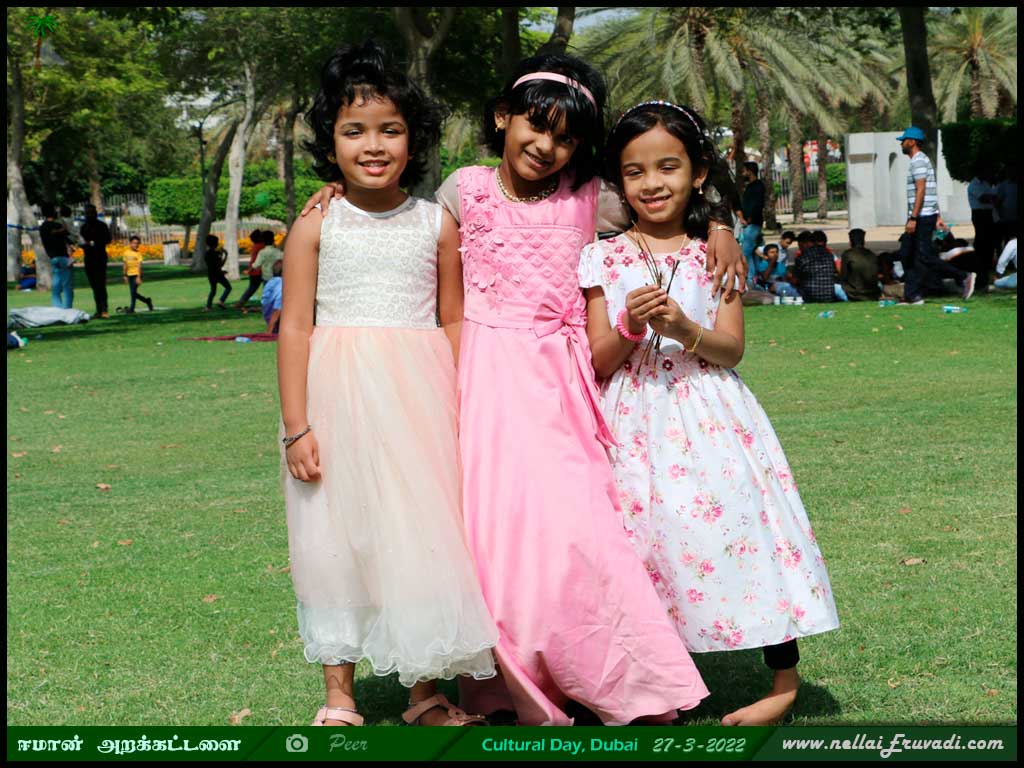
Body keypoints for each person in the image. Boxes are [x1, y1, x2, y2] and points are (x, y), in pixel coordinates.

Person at [301, 56, 745, 727]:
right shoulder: (463, 189)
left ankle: (627, 681)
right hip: (478, 378)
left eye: (566, 137)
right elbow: (399, 218)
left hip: (560, 377)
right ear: (503, 119)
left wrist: (720, 226)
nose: (546, 146)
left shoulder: (591, 196)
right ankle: (509, 688)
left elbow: (662, 199)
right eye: (535, 127)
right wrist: (335, 188)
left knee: (579, 528)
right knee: (496, 539)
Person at [580, 100, 839, 726]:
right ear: (618, 181)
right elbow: (598, 359)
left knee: (742, 532)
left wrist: (685, 329)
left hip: (708, 414)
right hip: (629, 419)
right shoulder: (601, 257)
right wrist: (632, 324)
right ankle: (650, 680)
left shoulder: (714, 254)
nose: (652, 183)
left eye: (668, 167)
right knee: (635, 545)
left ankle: (782, 680)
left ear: (697, 173)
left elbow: (732, 348)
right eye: (635, 172)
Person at [279, 41, 498, 728]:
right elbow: (293, 328)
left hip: (421, 396)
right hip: (334, 398)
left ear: (413, 139)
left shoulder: (437, 222)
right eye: (354, 131)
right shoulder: (315, 222)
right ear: (331, 143)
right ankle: (339, 696)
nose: (373, 146)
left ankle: (423, 692)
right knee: (333, 538)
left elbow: (454, 317)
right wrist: (297, 426)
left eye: (390, 130)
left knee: (423, 534)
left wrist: (467, 404)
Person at [896, 126, 975, 304]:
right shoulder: (921, 160)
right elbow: (931, 190)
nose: (901, 144)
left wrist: (913, 218)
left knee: (924, 256)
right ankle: (912, 295)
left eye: (904, 140)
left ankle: (963, 276)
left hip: (921, 216)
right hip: (925, 214)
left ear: (912, 142)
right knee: (908, 253)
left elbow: (922, 189)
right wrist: (937, 215)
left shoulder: (918, 161)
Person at [967, 166, 998, 291]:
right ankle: (979, 269)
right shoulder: (973, 185)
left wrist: (992, 198)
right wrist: (992, 198)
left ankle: (987, 267)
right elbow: (984, 198)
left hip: (989, 214)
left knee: (990, 242)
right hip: (980, 214)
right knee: (981, 241)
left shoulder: (987, 184)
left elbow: (993, 197)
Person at [39, 203, 74, 309]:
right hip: (63, 256)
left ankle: (57, 307)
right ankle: (67, 308)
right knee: (67, 285)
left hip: (53, 257)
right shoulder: (57, 225)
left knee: (56, 285)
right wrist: (62, 221)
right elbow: (67, 233)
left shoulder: (43, 227)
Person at [79, 204, 112, 317]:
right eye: (87, 213)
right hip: (89, 258)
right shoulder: (84, 227)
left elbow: (108, 239)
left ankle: (104, 309)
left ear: (95, 213)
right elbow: (81, 241)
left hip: (100, 257)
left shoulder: (101, 226)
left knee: (100, 284)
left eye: (91, 213)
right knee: (94, 285)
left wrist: (94, 242)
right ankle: (98, 309)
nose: (89, 215)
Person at [738, 161, 766, 282]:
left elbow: (758, 204)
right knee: (752, 253)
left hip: (752, 223)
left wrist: (750, 218)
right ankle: (754, 279)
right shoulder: (751, 186)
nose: (742, 173)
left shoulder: (757, 186)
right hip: (749, 223)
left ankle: (750, 280)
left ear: (750, 171)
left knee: (745, 253)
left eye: (744, 171)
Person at [792, 231, 837, 303]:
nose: (799, 248)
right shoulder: (829, 255)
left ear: (808, 243)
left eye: (800, 245)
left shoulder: (803, 256)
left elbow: (794, 280)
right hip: (829, 295)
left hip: (809, 296)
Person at [839, 228, 881, 302]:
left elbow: (843, 276)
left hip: (854, 294)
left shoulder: (847, 255)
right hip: (873, 292)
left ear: (850, 242)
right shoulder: (872, 255)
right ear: (864, 242)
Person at [234, 229, 267, 308]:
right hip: (260, 271)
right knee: (265, 288)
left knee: (252, 288)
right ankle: (267, 303)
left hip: (254, 271)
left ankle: (241, 302)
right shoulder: (262, 246)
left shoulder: (255, 246)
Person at [121, 235, 154, 313]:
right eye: (134, 243)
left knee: (132, 292)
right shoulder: (126, 253)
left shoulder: (138, 254)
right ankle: (147, 301)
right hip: (129, 275)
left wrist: (139, 277)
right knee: (133, 293)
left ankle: (131, 309)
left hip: (137, 274)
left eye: (137, 243)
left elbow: (139, 266)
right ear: (130, 243)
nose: (136, 245)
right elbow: (125, 265)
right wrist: (124, 275)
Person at [203, 234, 232, 310]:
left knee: (213, 291)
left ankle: (208, 307)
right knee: (228, 288)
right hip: (218, 274)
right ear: (215, 243)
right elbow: (220, 264)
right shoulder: (217, 253)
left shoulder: (207, 253)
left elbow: (211, 265)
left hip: (211, 274)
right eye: (217, 242)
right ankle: (221, 301)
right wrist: (225, 255)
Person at [261, 258, 283, 332]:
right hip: (277, 324)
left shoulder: (271, 282)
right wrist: (269, 333)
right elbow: (276, 310)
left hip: (268, 316)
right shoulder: (282, 285)